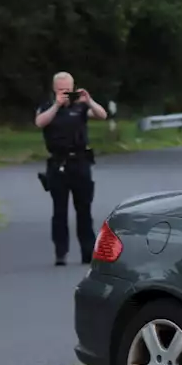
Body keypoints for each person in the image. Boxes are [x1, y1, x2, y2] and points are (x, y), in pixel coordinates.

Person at [34, 71, 108, 265]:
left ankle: (87, 251)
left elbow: (102, 115)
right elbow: (39, 122)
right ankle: (61, 252)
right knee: (60, 211)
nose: (64, 93)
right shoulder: (47, 107)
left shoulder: (81, 107)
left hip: (80, 162)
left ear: (73, 88)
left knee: (84, 209)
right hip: (58, 163)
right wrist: (57, 105)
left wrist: (89, 101)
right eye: (60, 90)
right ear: (54, 89)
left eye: (67, 90)